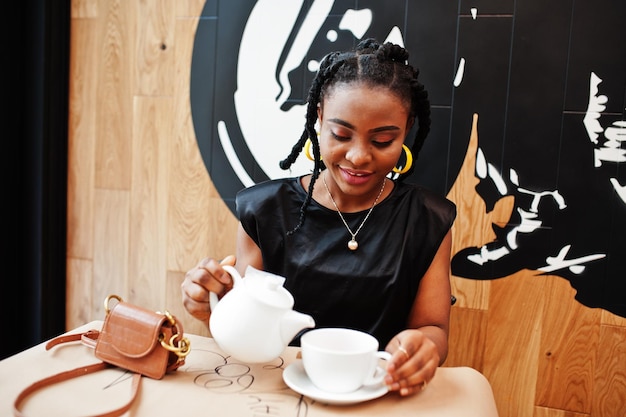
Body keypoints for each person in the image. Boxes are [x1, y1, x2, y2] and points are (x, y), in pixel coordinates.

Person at [181, 38, 456, 397]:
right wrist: (212, 304)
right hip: (277, 391)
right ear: (319, 120)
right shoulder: (265, 211)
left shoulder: (428, 221)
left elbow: (433, 327)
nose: (358, 157)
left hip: (377, 393)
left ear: (406, 132)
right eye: (341, 135)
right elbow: (250, 325)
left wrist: (424, 348)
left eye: (383, 141)